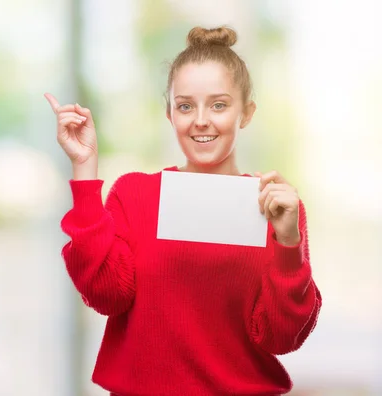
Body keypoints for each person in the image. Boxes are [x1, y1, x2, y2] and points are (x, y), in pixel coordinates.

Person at [44, 25, 322, 396]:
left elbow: (281, 337)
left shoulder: (274, 207)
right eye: (185, 105)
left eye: (219, 105)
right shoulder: (134, 193)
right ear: (169, 113)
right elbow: (106, 294)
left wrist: (289, 243)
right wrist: (84, 167)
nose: (201, 120)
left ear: (246, 112)